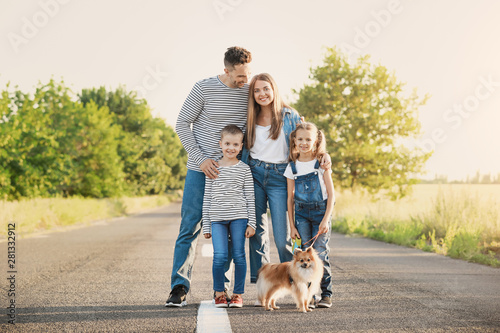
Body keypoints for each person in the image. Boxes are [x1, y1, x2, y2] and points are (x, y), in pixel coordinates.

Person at [166, 46, 252, 307]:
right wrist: (201, 159)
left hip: (232, 172)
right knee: (189, 227)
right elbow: (182, 123)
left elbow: (276, 108)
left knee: (228, 230)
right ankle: (179, 287)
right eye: (239, 76)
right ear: (226, 70)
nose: (244, 81)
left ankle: (222, 290)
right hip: (199, 169)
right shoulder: (203, 88)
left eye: (247, 74)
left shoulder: (249, 90)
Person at [242, 73, 331, 286]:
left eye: (266, 89)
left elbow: (307, 141)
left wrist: (323, 154)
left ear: (274, 90)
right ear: (252, 95)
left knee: (283, 238)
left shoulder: (290, 116)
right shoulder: (250, 117)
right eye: (257, 90)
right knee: (257, 234)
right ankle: (263, 282)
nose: (262, 94)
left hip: (279, 176)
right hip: (254, 173)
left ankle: (292, 281)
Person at [202, 125, 256, 308]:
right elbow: (207, 198)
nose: (231, 148)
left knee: (239, 255)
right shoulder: (213, 168)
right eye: (227, 143)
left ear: (241, 147)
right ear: (220, 144)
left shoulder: (244, 169)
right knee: (220, 256)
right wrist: (207, 226)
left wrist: (252, 223)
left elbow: (250, 197)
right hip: (217, 220)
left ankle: (237, 294)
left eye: (235, 144)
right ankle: (219, 293)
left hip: (239, 218)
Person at [284, 122, 335, 308]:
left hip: (321, 212)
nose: (304, 143)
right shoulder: (292, 167)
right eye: (300, 139)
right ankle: (310, 297)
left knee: (320, 253)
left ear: (315, 141)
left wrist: (326, 219)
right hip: (302, 215)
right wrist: (292, 226)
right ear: (294, 141)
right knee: (304, 255)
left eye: (308, 139)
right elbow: (289, 200)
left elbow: (331, 195)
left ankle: (326, 294)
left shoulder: (321, 164)